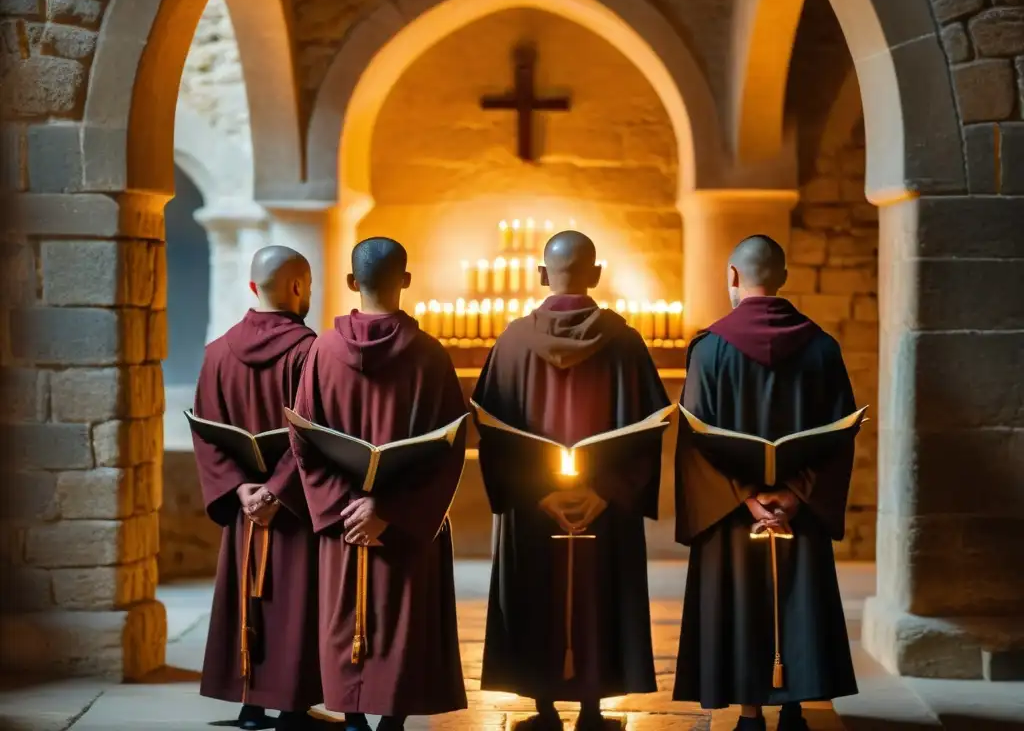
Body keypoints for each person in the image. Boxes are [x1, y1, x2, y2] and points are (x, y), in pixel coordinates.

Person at [473, 230, 669, 731]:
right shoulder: (624, 342)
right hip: (606, 506)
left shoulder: (512, 342)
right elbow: (650, 429)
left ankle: (542, 706)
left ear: (541, 275)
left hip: (533, 508)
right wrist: (606, 491)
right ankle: (592, 708)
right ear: (596, 275)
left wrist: (538, 493)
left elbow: (490, 430)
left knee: (534, 592)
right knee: (599, 595)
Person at [673, 235, 859, 731]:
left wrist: (747, 497)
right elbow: (842, 435)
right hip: (799, 510)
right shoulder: (822, 347)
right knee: (797, 594)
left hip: (735, 515)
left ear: (733, 276)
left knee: (740, 599)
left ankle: (750, 713)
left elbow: (695, 438)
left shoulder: (710, 349)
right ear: (783, 277)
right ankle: (794, 705)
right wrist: (797, 494)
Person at [290, 237, 467, 731]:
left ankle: (351, 720)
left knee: (343, 612)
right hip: (402, 525)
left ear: (351, 282)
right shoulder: (430, 355)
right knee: (401, 615)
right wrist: (389, 510)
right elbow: (449, 447)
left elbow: (301, 439)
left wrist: (343, 506)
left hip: (342, 520)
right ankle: (394, 720)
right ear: (406, 280)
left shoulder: (322, 351)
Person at [192, 246, 323, 731]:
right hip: (291, 507)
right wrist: (277, 490)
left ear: (252, 288)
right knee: (294, 600)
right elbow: (315, 432)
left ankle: (250, 705)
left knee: (249, 594)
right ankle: (291, 708)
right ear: (297, 287)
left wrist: (242, 490)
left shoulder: (217, 352)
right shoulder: (310, 352)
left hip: (245, 507)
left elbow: (205, 431)